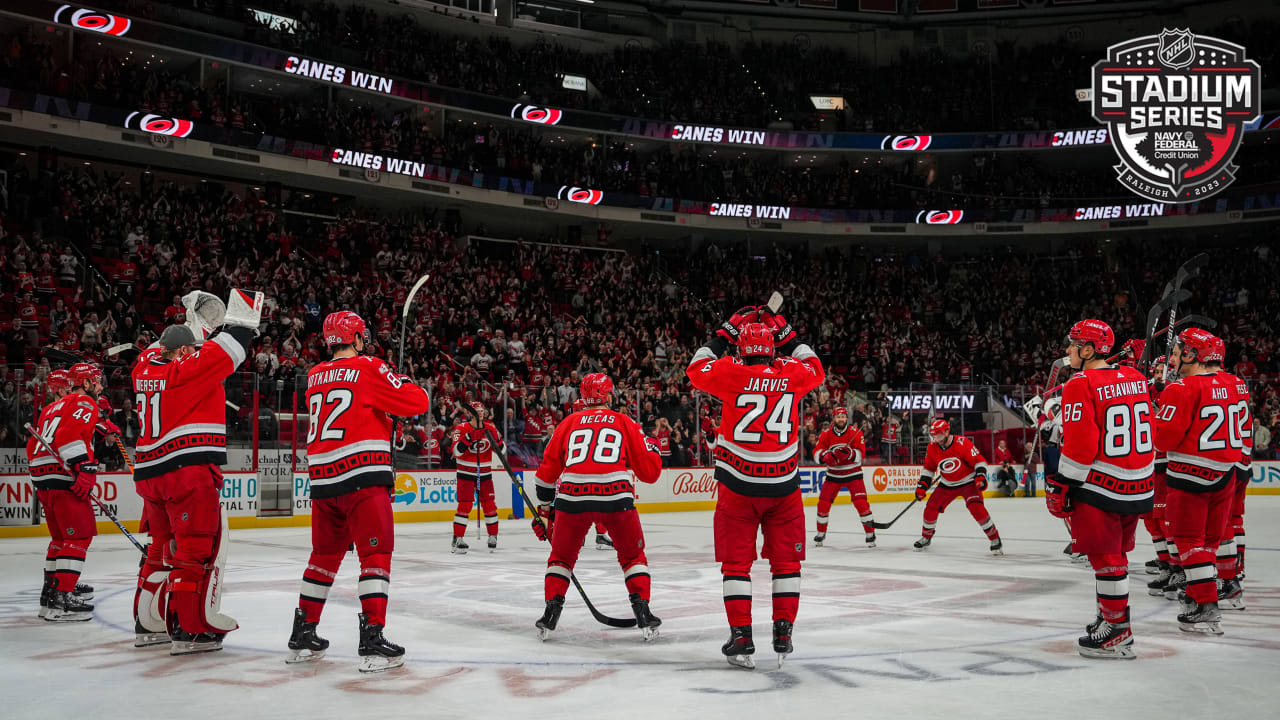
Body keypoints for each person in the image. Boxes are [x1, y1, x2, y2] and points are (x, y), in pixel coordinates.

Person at [286, 311, 432, 672]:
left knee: (323, 556)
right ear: (355, 336)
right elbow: (418, 402)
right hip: (362, 476)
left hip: (322, 479)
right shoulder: (369, 367)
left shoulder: (314, 375)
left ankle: (303, 631)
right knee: (375, 555)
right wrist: (403, 381)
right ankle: (371, 639)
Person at [687, 309, 824, 669]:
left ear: (741, 350)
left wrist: (723, 333)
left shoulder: (732, 372)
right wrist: (789, 335)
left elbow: (696, 367)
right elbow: (815, 366)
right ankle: (783, 632)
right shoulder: (792, 373)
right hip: (783, 486)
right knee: (786, 562)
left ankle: (742, 636)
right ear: (774, 350)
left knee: (736, 564)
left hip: (738, 485)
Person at [130, 289, 261, 654]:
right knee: (194, 552)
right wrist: (246, 307)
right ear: (186, 353)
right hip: (187, 472)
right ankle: (189, 630)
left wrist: (192, 323)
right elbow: (235, 342)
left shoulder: (144, 365)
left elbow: (162, 348)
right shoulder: (189, 370)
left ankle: (148, 623)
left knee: (159, 548)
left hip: (150, 474)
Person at [1050, 319, 1154, 659]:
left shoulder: (1080, 383)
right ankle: (1110, 619)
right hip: (1138, 483)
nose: (1067, 351)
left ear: (1090, 349)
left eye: (1072, 344)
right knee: (1117, 557)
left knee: (1106, 559)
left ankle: (1117, 632)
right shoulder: (1135, 377)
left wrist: (1062, 484)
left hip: (1101, 485)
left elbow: (1080, 445)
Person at [531, 373, 663, 640]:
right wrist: (654, 449)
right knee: (632, 557)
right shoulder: (624, 421)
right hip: (615, 496)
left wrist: (545, 510)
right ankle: (643, 612)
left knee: (561, 558)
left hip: (572, 497)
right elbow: (649, 473)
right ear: (610, 396)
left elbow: (545, 475)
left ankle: (550, 613)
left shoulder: (567, 423)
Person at [1154, 328, 1248, 635]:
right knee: (1209, 541)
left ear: (1193, 355)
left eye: (1179, 350)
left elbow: (1163, 440)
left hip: (1190, 477)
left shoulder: (1181, 389)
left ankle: (1207, 605)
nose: (1173, 356)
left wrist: (1156, 412)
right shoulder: (1236, 383)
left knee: (1188, 542)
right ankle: (1199, 594)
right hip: (1226, 474)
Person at [26, 366, 98, 621]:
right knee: (78, 537)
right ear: (86, 383)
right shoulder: (83, 401)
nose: (100, 387)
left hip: (44, 477)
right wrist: (85, 468)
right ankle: (62, 599)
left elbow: (32, 446)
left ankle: (51, 593)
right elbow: (68, 436)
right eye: (97, 382)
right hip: (62, 475)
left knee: (59, 538)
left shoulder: (50, 408)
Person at [1203, 336, 1252, 612]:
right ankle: (1236, 569)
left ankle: (1228, 576)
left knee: (1221, 524)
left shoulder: (1213, 384)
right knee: (1234, 518)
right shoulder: (1236, 382)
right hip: (1242, 455)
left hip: (1223, 462)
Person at [911, 418, 1003, 555]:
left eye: (939, 435)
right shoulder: (932, 446)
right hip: (947, 484)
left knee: (976, 507)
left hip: (968, 482)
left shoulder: (962, 443)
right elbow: (929, 468)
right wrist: (922, 486)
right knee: (931, 508)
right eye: (934, 435)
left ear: (947, 432)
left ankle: (995, 539)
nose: (936, 438)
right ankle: (926, 537)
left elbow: (979, 461)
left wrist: (980, 476)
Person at [812, 406, 875, 548]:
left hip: (853, 474)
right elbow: (817, 451)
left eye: (843, 417)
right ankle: (821, 533)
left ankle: (870, 533)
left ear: (847, 418)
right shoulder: (825, 434)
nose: (841, 419)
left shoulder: (856, 433)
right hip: (833, 474)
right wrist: (825, 456)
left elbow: (861, 455)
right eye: (838, 417)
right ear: (833, 418)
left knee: (861, 503)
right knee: (823, 503)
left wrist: (850, 454)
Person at [450, 401, 504, 553]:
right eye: (477, 410)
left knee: (489, 505)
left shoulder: (490, 428)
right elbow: (456, 452)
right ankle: (457, 538)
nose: (480, 412)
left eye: (482, 410)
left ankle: (493, 536)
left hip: (485, 473)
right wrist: (468, 438)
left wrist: (497, 440)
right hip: (465, 474)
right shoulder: (461, 428)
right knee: (465, 506)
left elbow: (503, 451)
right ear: (469, 413)